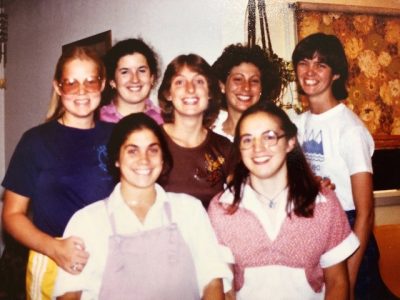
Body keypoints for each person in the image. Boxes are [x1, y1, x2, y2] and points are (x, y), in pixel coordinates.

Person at [53, 113, 231, 299]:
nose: (144, 160)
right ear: (116, 159)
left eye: (153, 150)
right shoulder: (87, 221)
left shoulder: (190, 210)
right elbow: (69, 294)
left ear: (163, 158)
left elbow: (212, 281)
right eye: (132, 151)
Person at [208, 102, 360, 299]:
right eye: (247, 140)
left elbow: (337, 282)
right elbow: (225, 290)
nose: (258, 148)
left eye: (269, 137)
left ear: (289, 142)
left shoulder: (324, 204)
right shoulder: (223, 208)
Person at [1, 47, 115, 297]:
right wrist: (53, 247)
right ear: (58, 87)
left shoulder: (116, 136)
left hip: (110, 262)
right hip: (53, 261)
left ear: (103, 84)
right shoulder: (35, 141)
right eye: (71, 83)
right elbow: (11, 215)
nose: (82, 91)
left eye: (90, 81)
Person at [292, 32, 391, 299]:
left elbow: (365, 213)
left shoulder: (350, 129)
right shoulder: (297, 125)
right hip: (313, 228)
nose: (310, 71)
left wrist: (350, 272)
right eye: (304, 62)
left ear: (335, 74)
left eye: (320, 65)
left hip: (348, 232)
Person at [157, 54, 233, 208]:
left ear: (210, 92)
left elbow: (243, 197)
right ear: (168, 94)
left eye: (199, 81)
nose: (190, 89)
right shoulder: (152, 141)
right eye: (179, 82)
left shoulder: (224, 147)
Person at [210, 43, 283, 141]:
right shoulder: (208, 132)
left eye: (254, 81)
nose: (246, 87)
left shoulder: (274, 132)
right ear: (222, 86)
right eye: (238, 79)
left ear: (262, 88)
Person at [100, 38, 163, 124]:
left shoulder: (164, 120)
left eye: (141, 70)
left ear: (152, 78)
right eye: (125, 72)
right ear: (112, 81)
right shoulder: (98, 120)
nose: (135, 79)